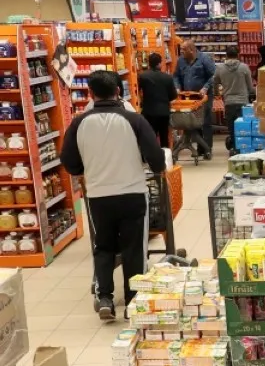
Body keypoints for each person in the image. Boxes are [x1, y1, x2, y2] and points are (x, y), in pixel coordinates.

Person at [61, 71, 166, 322]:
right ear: (118, 92)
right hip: (132, 194)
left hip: (98, 196)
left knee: (104, 246)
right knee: (134, 249)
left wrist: (87, 169)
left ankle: (105, 297)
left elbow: (69, 162)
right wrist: (155, 167)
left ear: (90, 94)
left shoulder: (79, 123)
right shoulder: (134, 120)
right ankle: (132, 301)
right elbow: (156, 157)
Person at [173, 39, 215, 159]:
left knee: (205, 122)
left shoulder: (204, 59)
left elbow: (213, 75)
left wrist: (205, 88)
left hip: (203, 97)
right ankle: (200, 148)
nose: (181, 52)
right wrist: (177, 87)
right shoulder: (181, 61)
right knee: (194, 122)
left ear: (191, 50)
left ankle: (207, 149)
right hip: (188, 97)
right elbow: (176, 76)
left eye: (183, 49)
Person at [214, 45, 252, 153]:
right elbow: (250, 87)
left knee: (231, 128)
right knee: (243, 127)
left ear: (226, 55)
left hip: (229, 102)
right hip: (243, 102)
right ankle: (243, 148)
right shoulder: (244, 67)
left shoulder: (220, 68)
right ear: (238, 55)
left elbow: (214, 83)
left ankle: (234, 148)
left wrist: (217, 94)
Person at [136, 52, 175, 148]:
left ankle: (151, 158)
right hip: (163, 112)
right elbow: (173, 95)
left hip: (149, 112)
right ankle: (166, 157)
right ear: (159, 63)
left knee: (151, 136)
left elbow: (138, 92)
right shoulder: (167, 77)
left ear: (149, 63)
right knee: (164, 137)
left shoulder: (143, 76)